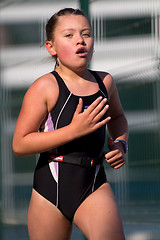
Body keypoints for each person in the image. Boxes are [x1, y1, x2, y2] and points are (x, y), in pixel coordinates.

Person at [12, 8, 128, 240]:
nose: (80, 40)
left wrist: (120, 144)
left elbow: (117, 118)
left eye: (86, 33)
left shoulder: (105, 82)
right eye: (69, 35)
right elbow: (20, 144)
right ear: (51, 47)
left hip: (93, 183)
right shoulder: (45, 86)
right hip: (49, 189)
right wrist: (73, 131)